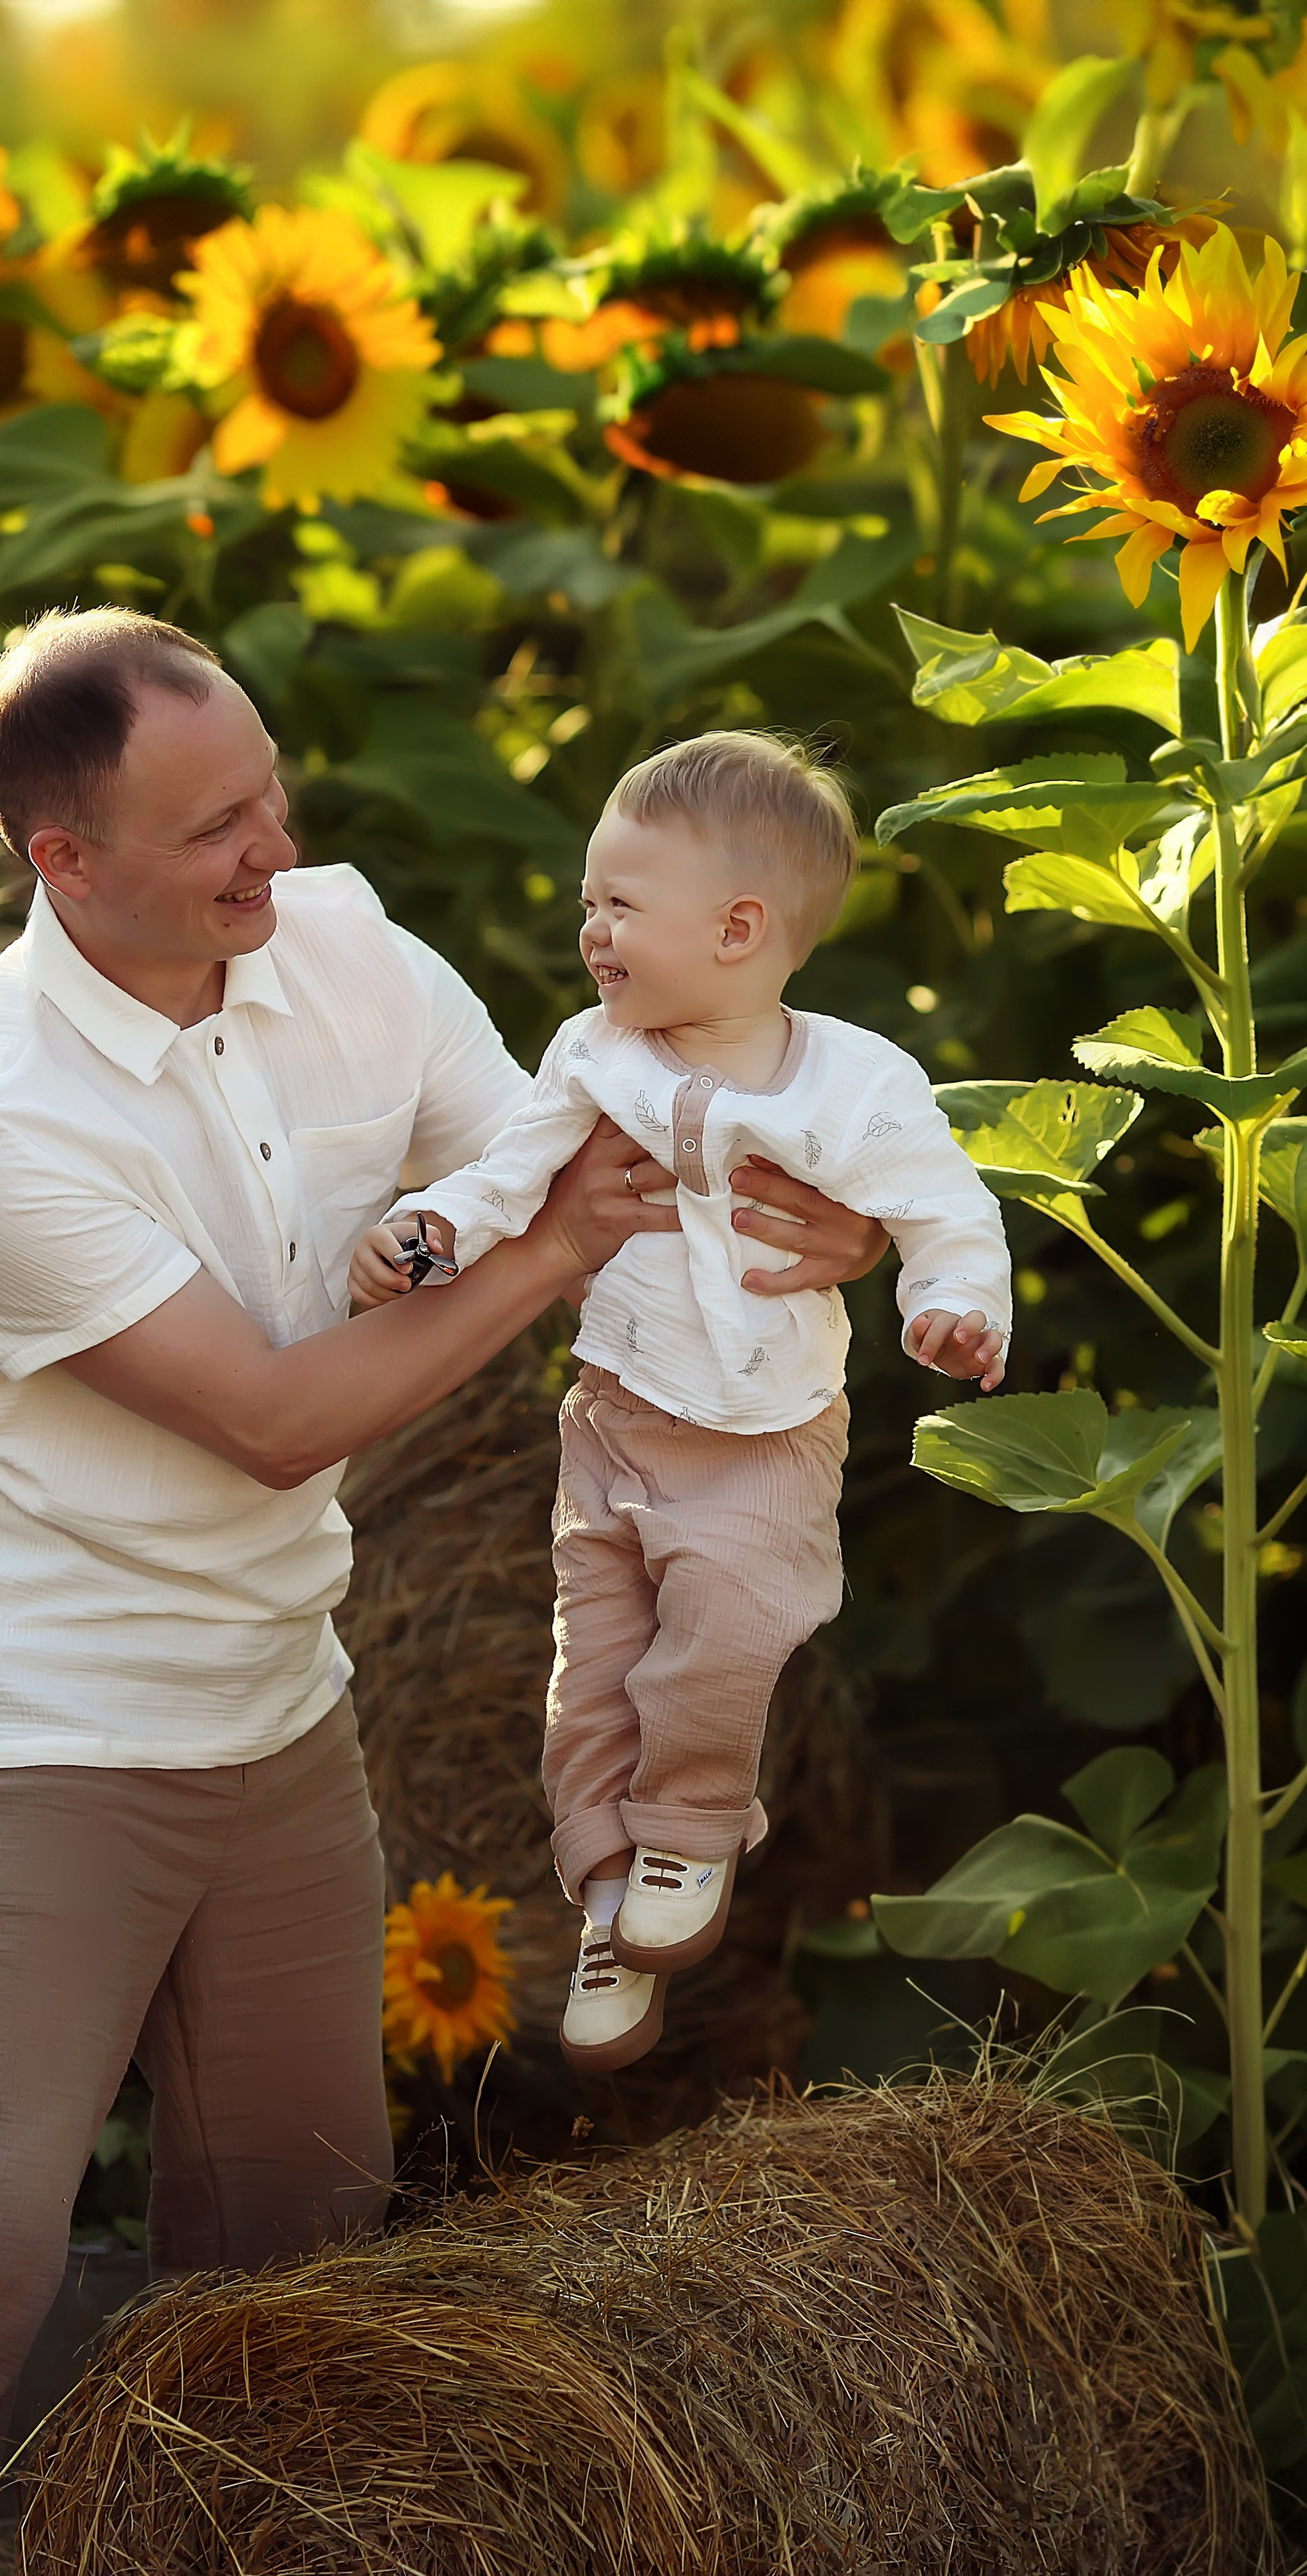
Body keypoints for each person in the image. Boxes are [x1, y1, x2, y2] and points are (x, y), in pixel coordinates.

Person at [0, 614, 888, 2576]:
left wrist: (816, 1209)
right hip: (53, 1733)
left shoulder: (340, 943)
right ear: (65, 863)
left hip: (281, 1710)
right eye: (214, 831)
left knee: (294, 2242)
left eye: (269, 790)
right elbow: (273, 1417)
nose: (276, 850)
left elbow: (567, 1126)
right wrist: (547, 1261)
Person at [352, 730, 1011, 2075]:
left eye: (618, 905)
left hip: (765, 1433)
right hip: (615, 1413)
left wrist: (951, 1303)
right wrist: (428, 1228)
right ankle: (608, 1893)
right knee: (588, 1676)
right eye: (589, 899)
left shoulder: (856, 1081)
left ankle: (692, 1834)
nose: (589, 928)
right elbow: (506, 1175)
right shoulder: (594, 1056)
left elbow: (945, 1207)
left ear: (738, 928)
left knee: (723, 1634)